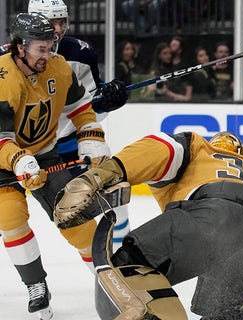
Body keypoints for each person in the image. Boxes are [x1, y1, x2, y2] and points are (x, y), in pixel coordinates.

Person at [53, 131, 243, 319]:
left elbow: (158, 149)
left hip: (215, 213)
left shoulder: (201, 148)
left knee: (130, 266)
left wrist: (100, 174)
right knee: (224, 312)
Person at [0, 12, 113, 319]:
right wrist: (18, 160)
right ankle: (36, 284)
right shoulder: (3, 77)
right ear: (20, 47)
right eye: (41, 48)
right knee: (11, 219)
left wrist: (90, 136)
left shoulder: (60, 68)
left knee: (75, 216)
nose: (48, 54)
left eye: (50, 46)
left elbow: (81, 109)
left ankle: (111, 281)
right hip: (3, 162)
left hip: (45, 155)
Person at [27, 0, 132, 250]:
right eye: (53, 22)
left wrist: (108, 102)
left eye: (62, 22)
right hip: (21, 151)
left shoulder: (80, 53)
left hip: (71, 145)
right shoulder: (9, 59)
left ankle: (124, 257)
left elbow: (89, 110)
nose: (59, 29)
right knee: (9, 218)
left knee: (113, 192)